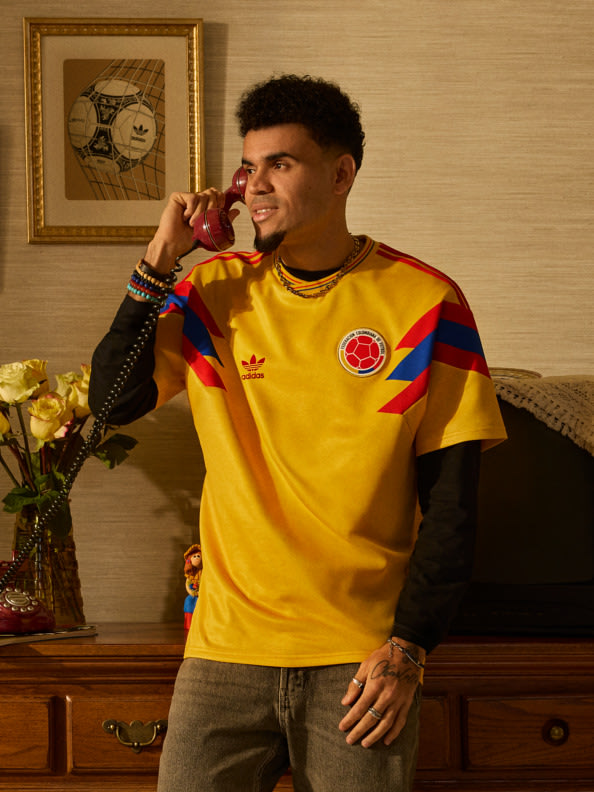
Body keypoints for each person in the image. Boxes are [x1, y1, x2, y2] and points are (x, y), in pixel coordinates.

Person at [89, 74, 506, 792]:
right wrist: (159, 258)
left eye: (280, 164)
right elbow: (111, 403)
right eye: (248, 167)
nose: (254, 185)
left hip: (360, 660)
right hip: (224, 650)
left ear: (341, 174)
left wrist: (408, 649)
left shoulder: (427, 303)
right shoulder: (211, 292)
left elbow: (453, 504)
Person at [183, 543, 202, 632]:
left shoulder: (204, 572)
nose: (197, 558)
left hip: (202, 593)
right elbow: (187, 584)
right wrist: (192, 592)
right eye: (194, 556)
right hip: (193, 594)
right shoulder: (190, 574)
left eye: (198, 556)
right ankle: (189, 624)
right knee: (189, 601)